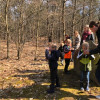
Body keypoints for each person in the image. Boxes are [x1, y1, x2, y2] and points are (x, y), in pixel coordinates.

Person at [83, 21, 100, 98]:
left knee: (98, 74)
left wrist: (90, 52)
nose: (92, 31)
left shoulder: (99, 31)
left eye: (91, 29)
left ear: (93, 26)